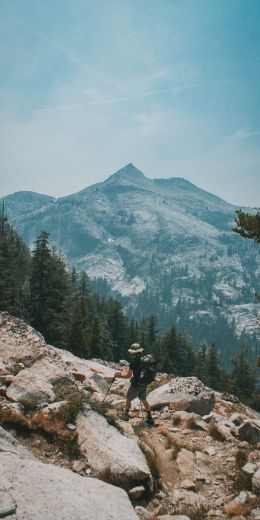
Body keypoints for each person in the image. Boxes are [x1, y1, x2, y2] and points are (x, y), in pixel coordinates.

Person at [114, 342, 154, 425]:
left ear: (133, 352)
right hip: (144, 383)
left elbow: (128, 375)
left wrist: (119, 375)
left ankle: (125, 415)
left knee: (128, 398)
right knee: (143, 399)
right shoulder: (144, 360)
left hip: (136, 384)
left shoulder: (133, 361)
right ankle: (150, 418)